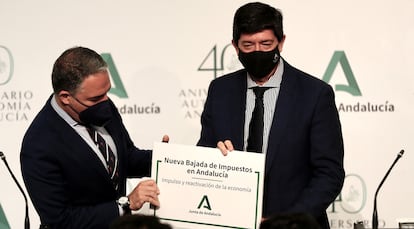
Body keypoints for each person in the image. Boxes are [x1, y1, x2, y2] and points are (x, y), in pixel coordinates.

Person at [197, 2, 344, 229]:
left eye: (266, 44)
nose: (258, 51)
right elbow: (204, 155)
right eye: (248, 45)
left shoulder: (315, 94)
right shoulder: (220, 91)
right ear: (235, 46)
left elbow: (329, 174)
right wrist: (215, 159)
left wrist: (284, 222)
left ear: (281, 42)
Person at [20, 46, 168, 228]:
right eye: (96, 98)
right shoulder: (39, 145)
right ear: (65, 97)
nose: (106, 101)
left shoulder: (102, 105)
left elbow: (124, 158)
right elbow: (60, 221)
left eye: (107, 92)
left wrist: (164, 159)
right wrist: (126, 204)